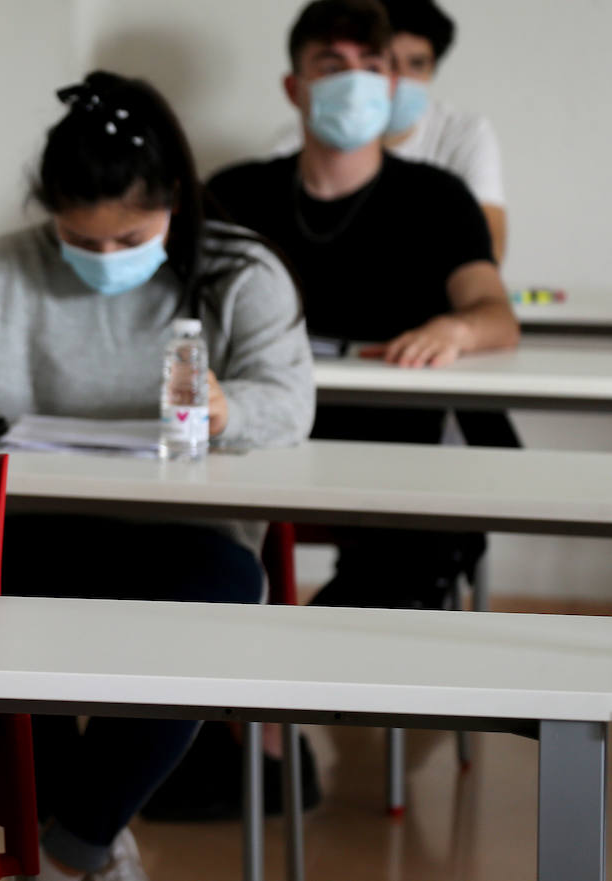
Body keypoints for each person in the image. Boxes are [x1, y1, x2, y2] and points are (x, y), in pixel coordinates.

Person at [0, 71, 314, 881]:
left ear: (177, 204)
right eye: (81, 242)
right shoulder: (7, 268)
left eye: (130, 240)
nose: (106, 258)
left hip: (186, 535)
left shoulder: (241, 272)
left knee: (225, 585)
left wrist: (227, 408)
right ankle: (70, 827)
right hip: (40, 525)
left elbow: (289, 402)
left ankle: (72, 841)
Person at [206, 0, 518, 609]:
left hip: (394, 448)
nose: (354, 80)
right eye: (331, 64)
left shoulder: (439, 198)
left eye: (370, 65)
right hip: (256, 434)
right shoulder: (232, 194)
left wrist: (456, 330)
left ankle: (310, 662)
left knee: (410, 559)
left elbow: (494, 312)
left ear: (393, 85)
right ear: (295, 88)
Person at [271, 0, 508, 261]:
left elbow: (487, 256)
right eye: (390, 64)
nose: (402, 78)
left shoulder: (451, 175)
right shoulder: (295, 149)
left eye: (417, 64)